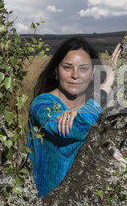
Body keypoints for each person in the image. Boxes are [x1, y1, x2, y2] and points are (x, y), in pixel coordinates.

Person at [27, 37, 122, 197]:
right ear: (56, 71)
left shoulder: (94, 105)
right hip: (50, 199)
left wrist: (81, 107)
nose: (75, 75)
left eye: (83, 68)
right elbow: (72, 130)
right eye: (67, 67)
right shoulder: (42, 104)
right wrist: (106, 86)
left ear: (92, 74)